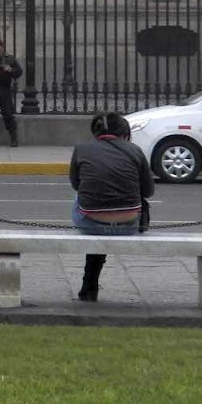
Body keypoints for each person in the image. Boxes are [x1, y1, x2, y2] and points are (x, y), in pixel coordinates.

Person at [69, 111, 154, 301]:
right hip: (129, 224)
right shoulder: (135, 151)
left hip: (89, 223)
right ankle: (89, 285)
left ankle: (89, 285)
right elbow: (148, 192)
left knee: (80, 199)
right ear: (124, 134)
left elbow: (76, 184)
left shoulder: (82, 149)